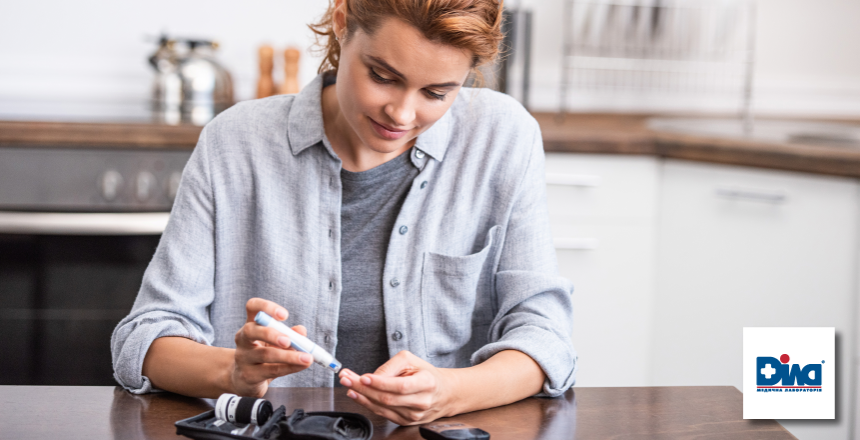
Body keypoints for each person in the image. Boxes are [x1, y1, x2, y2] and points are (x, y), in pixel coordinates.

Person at [111, 0, 576, 426]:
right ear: (342, 23)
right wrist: (232, 370)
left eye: (436, 93)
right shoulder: (236, 142)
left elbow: (544, 335)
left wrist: (449, 392)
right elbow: (146, 338)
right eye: (382, 76)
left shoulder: (501, 137)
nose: (401, 113)